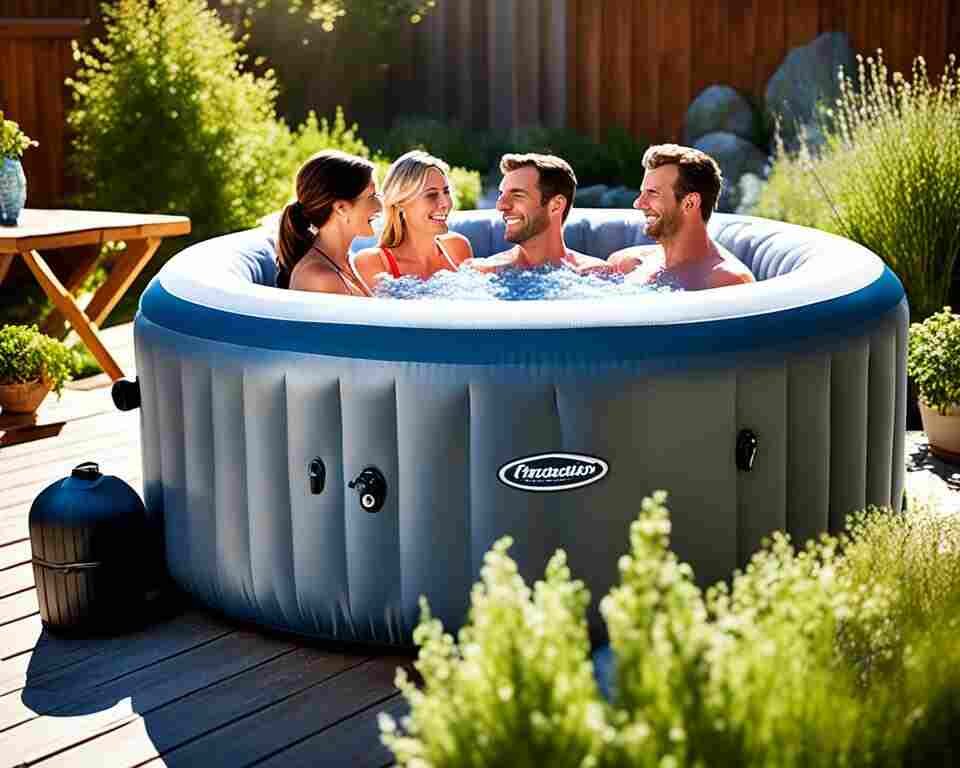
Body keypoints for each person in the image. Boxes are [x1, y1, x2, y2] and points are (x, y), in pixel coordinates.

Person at [607, 144, 755, 290]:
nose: (638, 203)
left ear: (690, 203)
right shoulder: (629, 263)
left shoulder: (726, 281)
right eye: (642, 193)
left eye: (652, 193)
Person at [464, 153, 607, 274]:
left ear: (556, 205)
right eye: (501, 194)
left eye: (517, 195)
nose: (501, 205)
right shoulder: (484, 272)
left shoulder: (593, 273)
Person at [352, 150, 472, 293]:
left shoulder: (458, 246)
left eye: (446, 192)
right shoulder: (372, 263)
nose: (445, 203)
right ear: (401, 202)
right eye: (432, 195)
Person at [276, 150, 382, 296]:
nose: (380, 206)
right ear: (341, 208)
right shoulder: (320, 279)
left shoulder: (343, 261)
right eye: (372, 196)